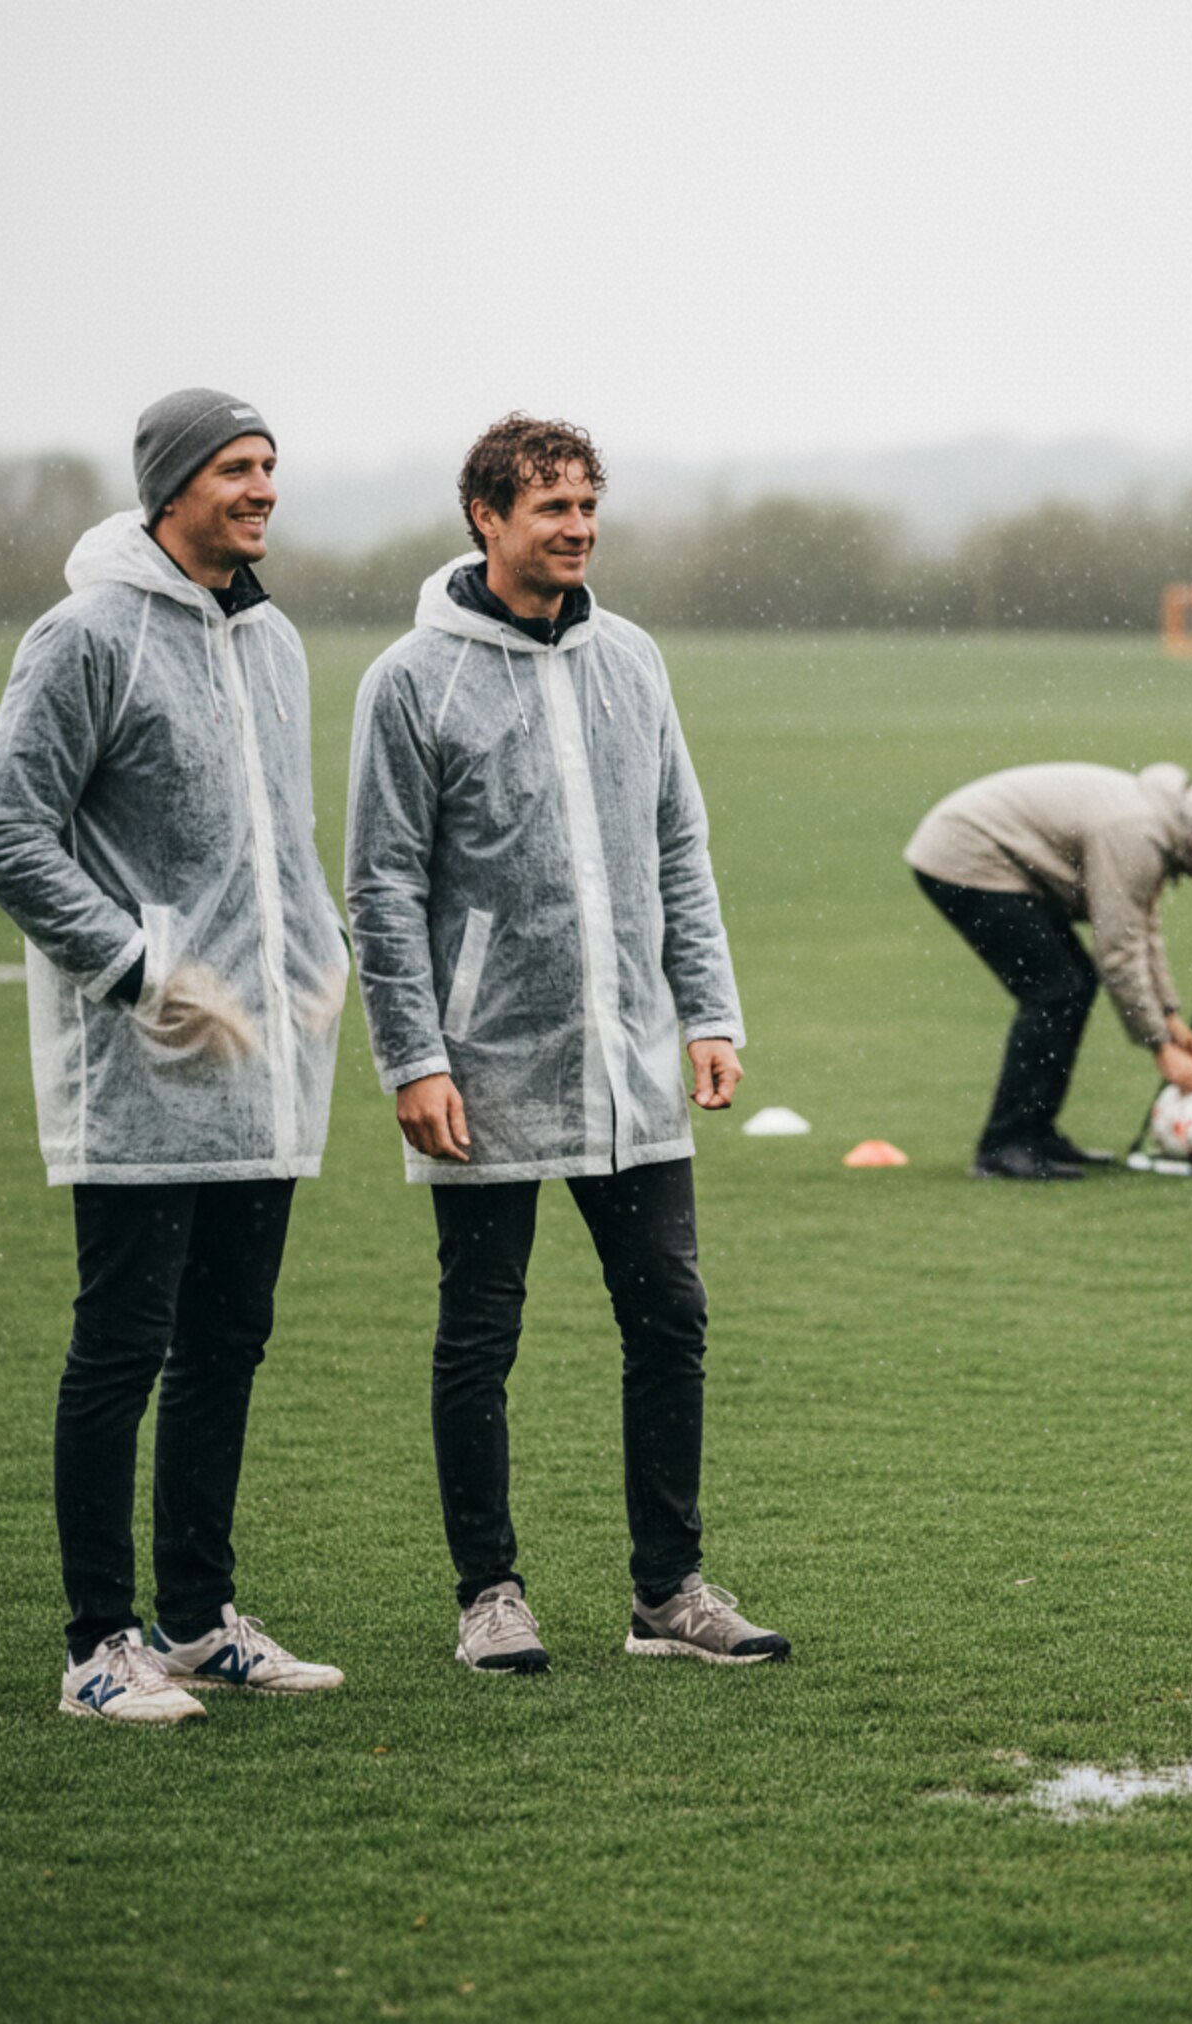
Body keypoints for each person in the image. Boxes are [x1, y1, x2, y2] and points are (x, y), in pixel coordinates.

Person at [345, 413, 788, 1675]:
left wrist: (707, 1011)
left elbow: (677, 847)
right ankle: (489, 1593)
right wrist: (412, 1056)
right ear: (485, 517)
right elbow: (379, 887)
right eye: (551, 508)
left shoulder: (633, 659)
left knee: (670, 1317)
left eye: (588, 506)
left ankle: (669, 1593)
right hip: (479, 1065)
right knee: (481, 1330)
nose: (577, 528)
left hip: (631, 1060)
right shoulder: (410, 680)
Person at [0, 388, 349, 1724]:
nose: (262, 490)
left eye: (271, 468)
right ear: (171, 487)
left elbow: (281, 839)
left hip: (265, 1071)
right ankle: (94, 1647)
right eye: (237, 469)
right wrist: (142, 970)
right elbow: (1, 833)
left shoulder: (279, 641)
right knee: (122, 1343)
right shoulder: (83, 638)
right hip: (136, 1063)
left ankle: (193, 1621)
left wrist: (319, 956)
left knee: (229, 1339)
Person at [906, 762, 1192, 1180]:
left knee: (1072, 984)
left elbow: (1141, 927)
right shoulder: (1137, 834)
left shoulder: (1158, 828)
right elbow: (1117, 950)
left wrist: (1167, 1016)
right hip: (964, 856)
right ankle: (1004, 1146)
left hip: (993, 857)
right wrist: (1159, 1046)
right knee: (1054, 988)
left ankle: (1036, 1132)